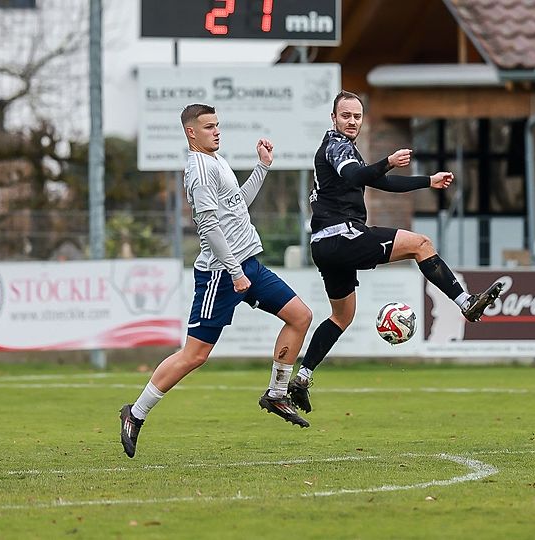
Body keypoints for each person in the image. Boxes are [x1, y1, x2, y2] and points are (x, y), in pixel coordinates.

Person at [287, 90, 504, 414]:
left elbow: (381, 183)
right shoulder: (336, 145)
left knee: (342, 316)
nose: (352, 121)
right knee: (421, 245)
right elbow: (356, 175)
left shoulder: (344, 148)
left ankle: (302, 377)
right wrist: (388, 161)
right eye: (345, 115)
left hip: (324, 244)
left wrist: (428, 181)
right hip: (343, 236)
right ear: (333, 118)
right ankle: (466, 303)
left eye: (357, 116)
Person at [120, 103, 313, 458]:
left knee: (300, 316)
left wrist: (262, 167)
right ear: (191, 132)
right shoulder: (198, 169)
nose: (217, 131)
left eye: (217, 125)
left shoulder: (217, 161)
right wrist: (234, 272)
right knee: (194, 355)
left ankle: (276, 393)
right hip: (220, 275)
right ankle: (136, 412)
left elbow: (237, 205)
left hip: (248, 265)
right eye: (209, 127)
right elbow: (208, 226)